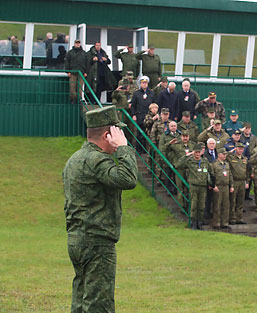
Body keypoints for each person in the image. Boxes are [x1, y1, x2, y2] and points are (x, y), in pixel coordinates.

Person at [62, 105, 138, 313]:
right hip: (97, 242)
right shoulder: (97, 160)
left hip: (77, 238)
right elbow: (128, 179)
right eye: (116, 132)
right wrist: (123, 148)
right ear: (108, 134)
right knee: (99, 305)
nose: (120, 136)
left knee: (81, 301)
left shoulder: (75, 159)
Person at [175, 143, 213, 230]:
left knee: (201, 205)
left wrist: (211, 183)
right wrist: (187, 155)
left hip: (203, 186)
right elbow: (178, 165)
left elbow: (210, 172)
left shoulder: (205, 161)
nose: (197, 154)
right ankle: (193, 222)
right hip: (194, 185)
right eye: (196, 152)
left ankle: (200, 222)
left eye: (199, 152)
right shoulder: (190, 161)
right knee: (194, 205)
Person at [130, 76, 157, 153]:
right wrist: (134, 114)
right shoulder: (136, 93)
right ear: (140, 84)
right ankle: (139, 149)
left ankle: (145, 149)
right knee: (139, 133)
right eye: (143, 83)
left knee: (147, 133)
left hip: (148, 116)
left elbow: (154, 104)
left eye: (146, 83)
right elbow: (133, 105)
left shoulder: (151, 93)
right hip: (140, 115)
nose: (144, 84)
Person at [211, 148, 234, 229]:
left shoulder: (227, 164)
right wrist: (214, 185)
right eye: (223, 154)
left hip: (226, 186)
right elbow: (212, 175)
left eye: (225, 154)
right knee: (217, 205)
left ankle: (225, 223)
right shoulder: (214, 164)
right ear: (219, 154)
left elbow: (230, 175)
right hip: (218, 186)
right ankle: (216, 223)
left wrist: (231, 186)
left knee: (226, 205)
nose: (225, 156)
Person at [227, 142, 250, 225]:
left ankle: (239, 218)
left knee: (240, 201)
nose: (240, 150)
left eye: (242, 149)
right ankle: (232, 218)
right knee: (232, 201)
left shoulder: (245, 159)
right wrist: (231, 151)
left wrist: (247, 181)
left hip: (242, 181)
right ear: (236, 148)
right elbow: (223, 155)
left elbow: (247, 171)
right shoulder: (231, 157)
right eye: (239, 148)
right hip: (234, 181)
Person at [64, 39, 87, 104]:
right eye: (76, 43)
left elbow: (87, 63)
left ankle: (79, 100)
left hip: (81, 72)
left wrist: (86, 72)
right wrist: (67, 71)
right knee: (72, 88)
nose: (77, 44)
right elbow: (67, 62)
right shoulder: (70, 53)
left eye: (78, 43)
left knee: (80, 88)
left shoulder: (84, 53)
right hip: (72, 72)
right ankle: (73, 99)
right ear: (74, 44)